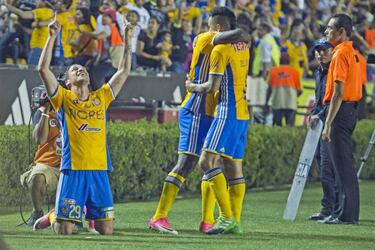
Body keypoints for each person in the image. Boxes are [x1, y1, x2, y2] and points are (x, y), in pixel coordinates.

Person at [148, 6, 250, 235]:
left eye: (210, 24)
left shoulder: (223, 44)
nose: (207, 29)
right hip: (196, 108)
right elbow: (240, 35)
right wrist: (243, 32)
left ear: (216, 26)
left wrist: (242, 33)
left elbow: (240, 37)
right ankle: (159, 217)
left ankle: (208, 220)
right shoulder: (204, 39)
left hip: (210, 109)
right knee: (188, 162)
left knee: (211, 163)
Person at [32, 13, 133, 235]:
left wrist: (127, 38)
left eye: (83, 69)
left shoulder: (102, 97)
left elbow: (124, 70)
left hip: (99, 170)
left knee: (106, 230)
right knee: (64, 231)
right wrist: (51, 36)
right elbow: (42, 69)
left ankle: (73, 210)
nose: (81, 70)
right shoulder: (63, 99)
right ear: (68, 82)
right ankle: (53, 215)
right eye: (75, 69)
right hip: (72, 170)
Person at [185, 18, 250, 235]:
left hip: (226, 111)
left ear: (218, 28)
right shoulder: (244, 46)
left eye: (210, 26)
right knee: (233, 167)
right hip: (243, 113)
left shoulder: (219, 49)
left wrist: (192, 87)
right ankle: (237, 222)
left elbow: (212, 86)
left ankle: (225, 217)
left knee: (206, 161)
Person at [321, 13, 362, 224]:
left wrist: (328, 124)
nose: (326, 31)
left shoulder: (339, 54)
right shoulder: (355, 53)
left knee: (342, 167)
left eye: (329, 28)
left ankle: (345, 216)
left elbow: (338, 92)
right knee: (344, 165)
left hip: (340, 111)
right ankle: (342, 213)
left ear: (341, 32)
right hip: (351, 110)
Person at [307, 38, 340, 221]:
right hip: (320, 122)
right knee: (322, 166)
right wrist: (312, 115)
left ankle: (333, 210)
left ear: (332, 52)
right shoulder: (318, 72)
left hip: (331, 124)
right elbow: (319, 99)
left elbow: (334, 100)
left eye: (324, 51)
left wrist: (318, 116)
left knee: (328, 168)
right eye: (318, 51)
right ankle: (328, 208)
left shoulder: (334, 71)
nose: (320, 54)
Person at [19, 96, 60, 228]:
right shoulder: (44, 112)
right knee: (36, 177)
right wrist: (46, 111)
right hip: (48, 164)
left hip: (72, 163)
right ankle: (37, 212)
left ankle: (74, 216)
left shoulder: (76, 109)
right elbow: (40, 139)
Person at [265, 53, 302, 126]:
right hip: (291, 104)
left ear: (279, 60)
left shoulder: (273, 71)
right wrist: (294, 97)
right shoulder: (295, 72)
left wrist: (266, 102)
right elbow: (299, 90)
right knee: (290, 128)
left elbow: (269, 89)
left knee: (277, 128)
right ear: (289, 61)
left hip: (277, 103)